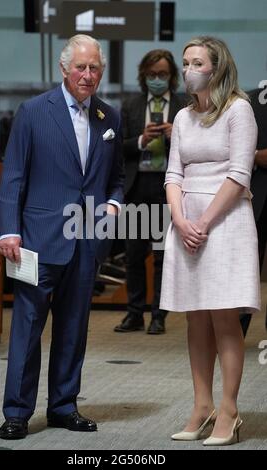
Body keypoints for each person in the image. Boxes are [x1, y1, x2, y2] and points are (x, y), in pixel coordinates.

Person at [0, 34, 124, 440]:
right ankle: (17, 411)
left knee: (74, 328)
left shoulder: (110, 117)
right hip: (36, 239)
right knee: (27, 329)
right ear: (64, 69)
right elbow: (13, 174)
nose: (88, 75)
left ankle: (64, 406)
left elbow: (117, 178)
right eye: (81, 68)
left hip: (87, 242)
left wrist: (115, 206)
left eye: (95, 69)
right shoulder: (33, 111)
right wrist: (9, 229)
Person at [160, 36, 260, 446]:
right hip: (186, 225)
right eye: (185, 62)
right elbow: (173, 175)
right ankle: (202, 406)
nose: (187, 70)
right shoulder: (183, 118)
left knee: (223, 318)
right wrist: (182, 220)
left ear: (216, 68)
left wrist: (203, 221)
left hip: (225, 221)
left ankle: (230, 410)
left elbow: (239, 175)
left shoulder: (240, 110)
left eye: (196, 62)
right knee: (194, 316)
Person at [114, 49, 185, 335]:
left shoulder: (184, 106)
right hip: (137, 185)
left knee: (162, 255)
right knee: (133, 255)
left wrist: (175, 135)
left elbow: (195, 147)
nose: (157, 79)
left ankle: (159, 315)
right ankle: (134, 314)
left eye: (163, 74)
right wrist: (142, 139)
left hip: (168, 187)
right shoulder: (131, 105)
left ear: (172, 76)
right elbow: (117, 147)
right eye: (152, 74)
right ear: (144, 76)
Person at [239, 87, 267, 336]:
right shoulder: (249, 100)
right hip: (252, 200)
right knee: (245, 272)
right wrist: (257, 155)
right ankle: (235, 333)